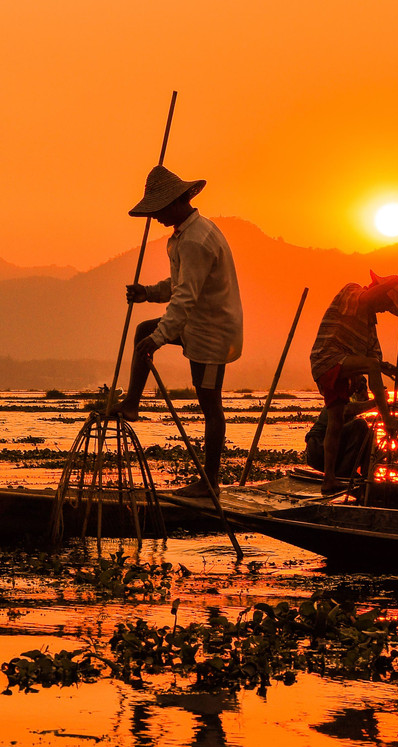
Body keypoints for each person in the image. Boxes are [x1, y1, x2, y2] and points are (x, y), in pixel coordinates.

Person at [113, 165, 243, 498]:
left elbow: (186, 297)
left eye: (157, 210)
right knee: (144, 329)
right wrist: (148, 293)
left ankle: (210, 482)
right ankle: (131, 404)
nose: (154, 217)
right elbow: (180, 284)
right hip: (194, 323)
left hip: (211, 334)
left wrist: (158, 339)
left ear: (174, 203)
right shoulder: (186, 236)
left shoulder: (196, 241)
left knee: (210, 405)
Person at [309, 257, 398, 494]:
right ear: (378, 292)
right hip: (326, 357)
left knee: (336, 423)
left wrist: (386, 367)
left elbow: (373, 359)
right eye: (385, 303)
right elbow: (370, 363)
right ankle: (388, 420)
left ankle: (330, 480)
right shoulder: (352, 291)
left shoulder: (369, 326)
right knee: (370, 370)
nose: (384, 309)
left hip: (342, 367)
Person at [304, 374, 376, 480]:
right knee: (360, 424)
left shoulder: (349, 401)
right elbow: (346, 410)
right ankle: (344, 474)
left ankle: (366, 477)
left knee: (369, 434)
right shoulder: (340, 401)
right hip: (318, 448)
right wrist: (375, 402)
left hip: (332, 450)